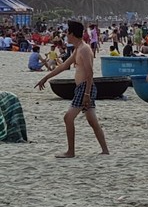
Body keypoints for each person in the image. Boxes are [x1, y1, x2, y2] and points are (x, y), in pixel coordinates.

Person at [35, 21, 109, 158]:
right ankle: (105, 150)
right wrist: (45, 78)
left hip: (85, 88)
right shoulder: (78, 49)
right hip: (85, 88)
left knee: (68, 118)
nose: (66, 35)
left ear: (72, 34)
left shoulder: (85, 49)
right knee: (92, 121)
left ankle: (70, 151)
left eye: (67, 32)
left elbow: (90, 73)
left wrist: (86, 93)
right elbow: (63, 66)